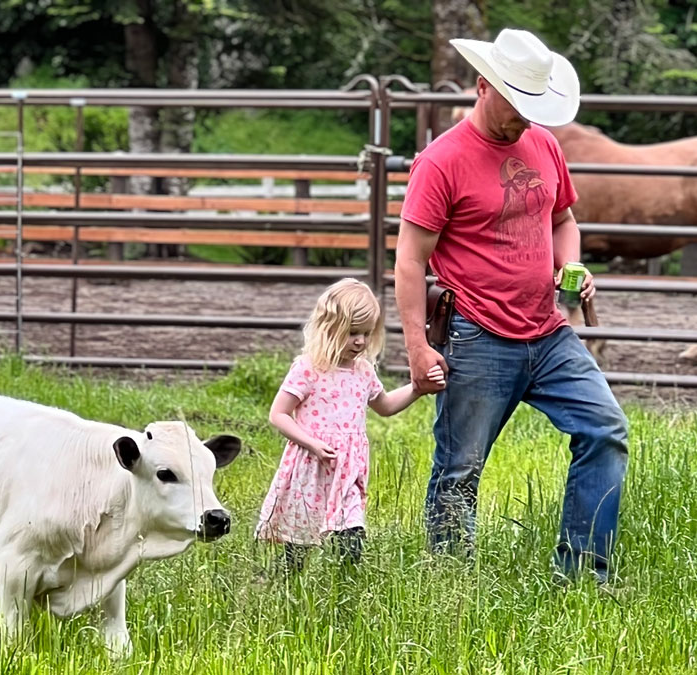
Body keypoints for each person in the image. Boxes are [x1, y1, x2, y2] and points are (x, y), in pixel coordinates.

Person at [394, 28, 628, 582]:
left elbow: (563, 219)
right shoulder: (440, 162)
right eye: (517, 104)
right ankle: (449, 586)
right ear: (482, 86)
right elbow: (409, 262)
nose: (526, 116)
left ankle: (583, 574)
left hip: (547, 332)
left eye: (533, 105)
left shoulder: (544, 144)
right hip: (476, 335)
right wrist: (416, 346)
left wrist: (571, 266)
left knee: (605, 428)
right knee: (460, 469)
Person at [255, 278, 444, 571]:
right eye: (352, 333)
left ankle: (345, 590)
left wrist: (417, 389)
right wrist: (312, 443)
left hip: (348, 470)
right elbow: (278, 414)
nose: (360, 342)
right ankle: (282, 587)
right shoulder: (308, 369)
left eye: (366, 334)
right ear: (329, 329)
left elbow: (385, 406)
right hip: (311, 467)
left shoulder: (363, 372)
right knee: (299, 546)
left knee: (351, 538)